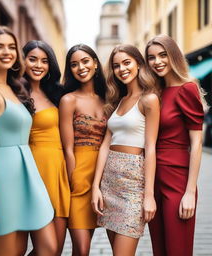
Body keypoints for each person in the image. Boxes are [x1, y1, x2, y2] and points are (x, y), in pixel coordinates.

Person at [0, 26, 57, 256]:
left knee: (49, 247)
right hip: (2, 177)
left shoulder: (15, 88)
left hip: (28, 174)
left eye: (11, 47)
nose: (6, 52)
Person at [91, 44, 159, 256]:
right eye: (116, 66)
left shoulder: (149, 99)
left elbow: (150, 147)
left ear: (138, 64)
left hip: (132, 187)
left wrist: (149, 195)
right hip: (110, 183)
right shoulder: (118, 101)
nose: (122, 69)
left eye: (126, 63)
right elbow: (104, 146)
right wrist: (96, 186)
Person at [145, 34, 205, 256]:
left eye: (163, 55)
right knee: (159, 251)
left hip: (178, 181)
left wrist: (190, 192)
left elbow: (196, 144)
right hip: (153, 179)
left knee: (178, 251)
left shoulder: (187, 88)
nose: (157, 62)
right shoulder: (154, 93)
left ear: (174, 56)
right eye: (151, 58)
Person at [22, 40, 70, 255]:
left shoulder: (57, 93)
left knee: (56, 248)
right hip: (35, 170)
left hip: (59, 171)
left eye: (44, 61)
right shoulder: (16, 94)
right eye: (32, 59)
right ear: (21, 61)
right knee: (47, 249)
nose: (38, 65)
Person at [59, 44, 107, 256]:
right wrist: (73, 181)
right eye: (74, 64)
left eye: (85, 61)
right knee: (82, 248)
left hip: (105, 178)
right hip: (79, 177)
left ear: (95, 63)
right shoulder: (69, 100)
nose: (81, 67)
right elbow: (67, 149)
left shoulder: (108, 99)